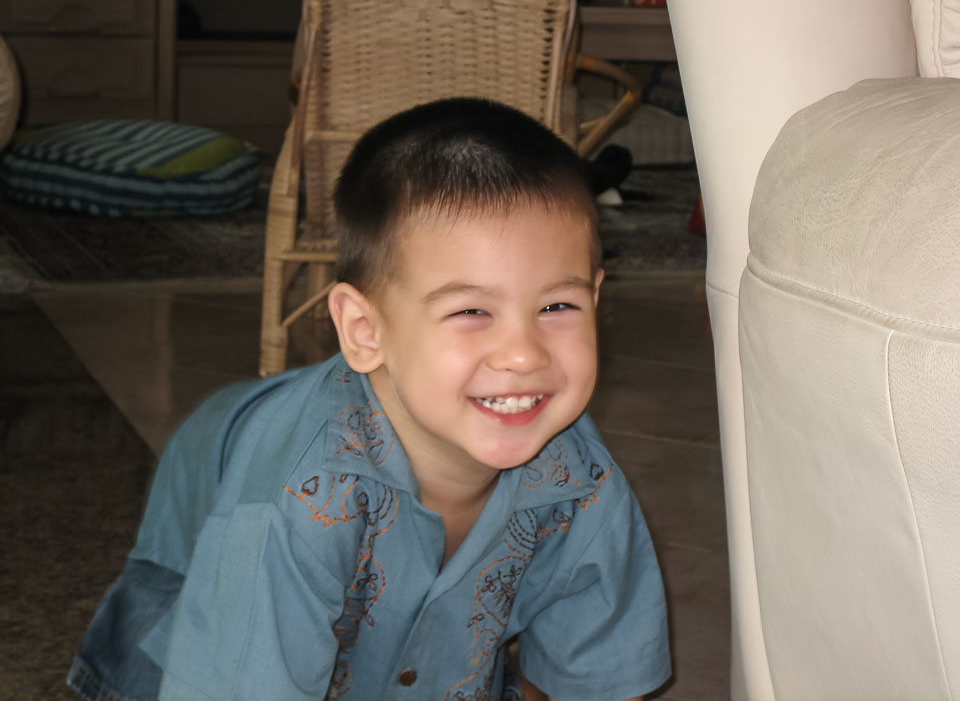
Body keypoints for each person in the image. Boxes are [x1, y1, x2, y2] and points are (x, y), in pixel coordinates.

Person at [68, 97, 671, 701]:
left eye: (558, 306)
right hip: (228, 569)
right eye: (471, 311)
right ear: (364, 330)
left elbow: (596, 679)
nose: (523, 355)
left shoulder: (584, 483)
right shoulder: (295, 505)